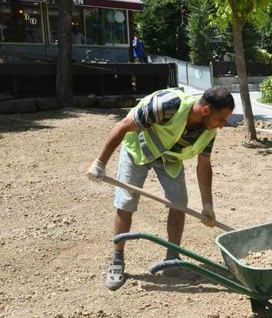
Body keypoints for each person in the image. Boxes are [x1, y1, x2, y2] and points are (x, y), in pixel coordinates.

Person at [87, 86, 235, 291]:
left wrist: (207, 205)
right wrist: (100, 163)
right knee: (126, 203)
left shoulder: (208, 130)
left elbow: (204, 166)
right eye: (222, 119)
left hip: (169, 159)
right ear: (206, 111)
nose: (223, 125)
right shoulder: (166, 105)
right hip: (138, 149)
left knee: (179, 204)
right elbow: (122, 126)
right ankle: (117, 260)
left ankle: (172, 260)